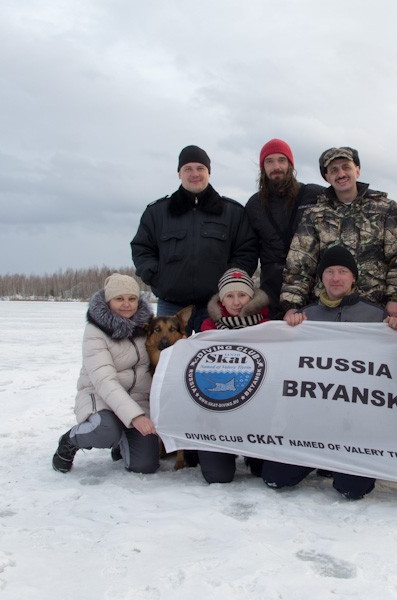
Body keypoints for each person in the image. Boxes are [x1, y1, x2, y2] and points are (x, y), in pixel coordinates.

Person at [263, 246, 397, 500]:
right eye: (329, 271)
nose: (336, 278)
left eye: (342, 271)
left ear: (353, 278)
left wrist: (396, 332)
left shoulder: (374, 316)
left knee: (352, 490)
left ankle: (342, 464)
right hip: (311, 422)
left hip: (355, 425)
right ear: (321, 278)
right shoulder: (308, 316)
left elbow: (394, 369)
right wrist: (291, 329)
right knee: (274, 478)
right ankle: (318, 459)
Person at [131, 145, 258, 333]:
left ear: (209, 172)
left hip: (216, 306)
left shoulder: (232, 212)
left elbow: (247, 251)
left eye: (200, 168)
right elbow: (142, 249)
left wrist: (230, 284)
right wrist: (158, 277)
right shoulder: (157, 213)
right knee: (170, 358)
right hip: (172, 306)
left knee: (214, 360)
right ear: (179, 173)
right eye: (188, 169)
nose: (194, 174)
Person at [280, 146, 397, 322]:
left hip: (375, 311)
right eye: (334, 170)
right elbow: (299, 263)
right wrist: (293, 306)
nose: (341, 173)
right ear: (327, 177)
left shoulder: (386, 209)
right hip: (325, 313)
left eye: (346, 167)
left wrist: (396, 299)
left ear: (357, 170)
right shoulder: (314, 215)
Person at [52, 273, 161, 474]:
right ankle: (70, 441)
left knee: (145, 465)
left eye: (132, 299)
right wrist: (136, 417)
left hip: (137, 400)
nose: (126, 305)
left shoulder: (147, 326)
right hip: (100, 397)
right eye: (119, 299)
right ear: (108, 301)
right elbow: (105, 381)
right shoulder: (95, 331)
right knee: (105, 430)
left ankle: (122, 442)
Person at [196, 268, 270, 483]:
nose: (236, 302)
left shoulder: (268, 326)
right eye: (230, 295)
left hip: (258, 415)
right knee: (217, 476)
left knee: (263, 472)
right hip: (218, 413)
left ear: (252, 297)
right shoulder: (208, 327)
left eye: (242, 295)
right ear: (221, 300)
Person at [245, 139, 325, 319]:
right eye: (269, 161)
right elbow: (247, 250)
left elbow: (348, 199)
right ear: (262, 167)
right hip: (271, 294)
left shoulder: (313, 195)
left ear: (290, 164)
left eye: (281, 160)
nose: (276, 166)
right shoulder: (253, 205)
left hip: (312, 293)